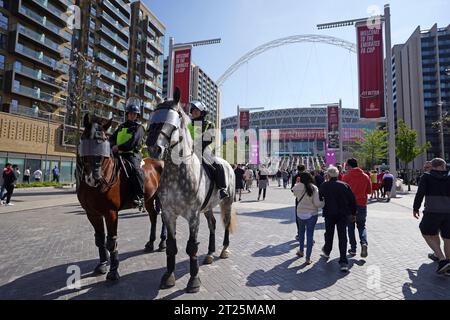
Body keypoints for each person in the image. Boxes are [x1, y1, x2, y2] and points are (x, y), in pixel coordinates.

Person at [413, 158, 450, 275]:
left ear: (433, 166)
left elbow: (420, 193)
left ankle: (442, 259)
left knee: (425, 231)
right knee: (448, 238)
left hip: (432, 211)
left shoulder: (426, 177)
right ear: (443, 166)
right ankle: (448, 265)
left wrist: (415, 208)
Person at [188, 100, 229, 200]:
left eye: (196, 111)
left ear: (202, 112)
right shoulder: (188, 125)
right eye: (193, 111)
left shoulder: (209, 124)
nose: (194, 112)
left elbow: (209, 138)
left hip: (204, 149)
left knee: (218, 165)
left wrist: (196, 146)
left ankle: (222, 189)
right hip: (189, 150)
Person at [110, 96, 146, 208]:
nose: (132, 115)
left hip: (132, 154)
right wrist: (111, 146)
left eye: (134, 114)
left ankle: (140, 197)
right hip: (118, 154)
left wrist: (118, 147)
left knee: (135, 170)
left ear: (137, 116)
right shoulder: (121, 127)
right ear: (127, 114)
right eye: (130, 113)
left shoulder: (139, 128)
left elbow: (132, 143)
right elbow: (112, 138)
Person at [319, 166, 357, 271]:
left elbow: (319, 198)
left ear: (328, 175)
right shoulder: (345, 185)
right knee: (342, 237)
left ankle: (327, 251)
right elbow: (352, 200)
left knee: (329, 234)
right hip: (342, 214)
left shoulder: (324, 185)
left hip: (329, 214)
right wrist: (353, 213)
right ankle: (344, 261)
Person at [292, 172, 324, 264]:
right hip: (311, 214)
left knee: (301, 233)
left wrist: (297, 183)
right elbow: (317, 204)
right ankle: (308, 258)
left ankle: (301, 251)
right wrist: (323, 203)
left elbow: (294, 191)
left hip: (300, 213)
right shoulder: (314, 188)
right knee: (310, 236)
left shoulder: (298, 186)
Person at [342, 158, 372, 258]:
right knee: (362, 226)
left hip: (350, 206)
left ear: (350, 166)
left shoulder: (346, 177)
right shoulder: (365, 176)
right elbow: (369, 191)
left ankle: (353, 249)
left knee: (350, 227)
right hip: (362, 204)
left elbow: (343, 193)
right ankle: (364, 243)